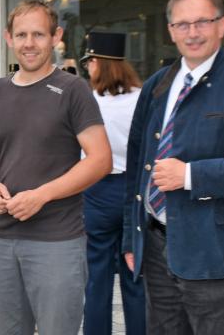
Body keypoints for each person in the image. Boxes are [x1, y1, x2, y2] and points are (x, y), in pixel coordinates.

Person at [121, 0, 224, 334]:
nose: (192, 33)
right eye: (182, 24)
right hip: (157, 246)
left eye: (202, 22)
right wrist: (130, 237)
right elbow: (136, 167)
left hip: (218, 255)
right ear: (171, 31)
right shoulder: (156, 86)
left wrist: (191, 175)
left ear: (221, 26)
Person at [0, 0, 111, 335]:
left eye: (38, 34)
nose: (29, 43)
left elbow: (100, 159)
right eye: (21, 34)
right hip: (2, 239)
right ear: (8, 38)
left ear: (55, 37)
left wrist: (42, 195)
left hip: (57, 242)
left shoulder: (73, 90)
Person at [78, 32, 145, 335]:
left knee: (97, 280)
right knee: (135, 276)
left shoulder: (89, 101)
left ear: (96, 62)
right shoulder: (142, 97)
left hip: (98, 188)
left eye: (89, 61)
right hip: (134, 190)